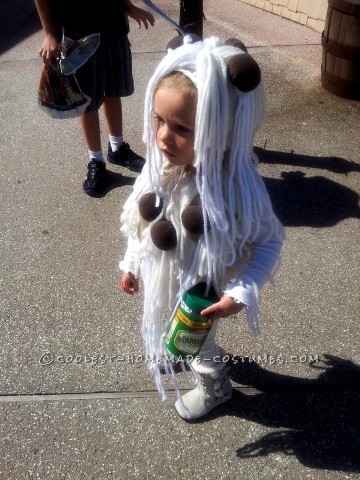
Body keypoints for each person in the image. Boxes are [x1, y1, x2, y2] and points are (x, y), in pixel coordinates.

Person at [119, 36, 285, 420]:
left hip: (203, 295)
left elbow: (268, 242)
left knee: (200, 346)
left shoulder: (234, 187)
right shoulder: (159, 169)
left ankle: (216, 387)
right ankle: (178, 347)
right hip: (169, 278)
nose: (162, 136)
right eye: (159, 120)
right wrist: (131, 263)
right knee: (177, 332)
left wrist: (240, 292)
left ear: (220, 131)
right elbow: (140, 222)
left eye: (181, 128)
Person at [35, 0, 155, 196]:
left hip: (113, 27)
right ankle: (96, 160)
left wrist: (128, 6)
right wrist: (49, 32)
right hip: (79, 35)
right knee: (87, 102)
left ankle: (117, 148)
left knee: (113, 91)